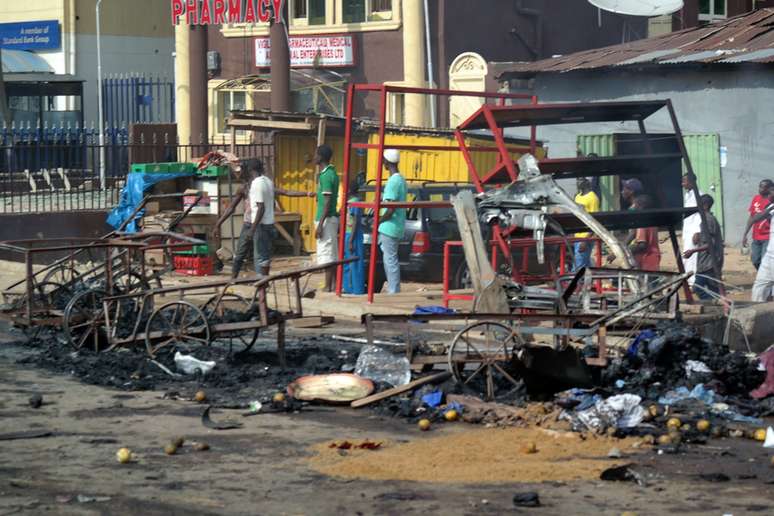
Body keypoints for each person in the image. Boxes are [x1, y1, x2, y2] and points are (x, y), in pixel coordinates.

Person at [214, 158, 312, 278]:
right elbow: (231, 208)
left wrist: (306, 194)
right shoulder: (245, 188)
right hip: (249, 224)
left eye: (242, 171)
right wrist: (218, 223)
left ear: (248, 171)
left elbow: (285, 193)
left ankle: (260, 283)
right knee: (240, 254)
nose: (239, 174)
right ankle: (233, 279)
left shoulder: (262, 185)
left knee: (259, 257)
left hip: (258, 226)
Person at [378, 149, 407, 294]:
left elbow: (390, 209)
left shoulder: (393, 181)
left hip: (389, 226)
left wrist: (378, 221)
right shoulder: (401, 179)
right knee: (390, 259)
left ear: (387, 162)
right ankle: (393, 288)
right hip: (396, 225)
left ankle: (393, 290)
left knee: (390, 260)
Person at [684, 194, 724, 299]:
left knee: (698, 288)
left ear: (705, 206)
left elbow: (710, 243)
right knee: (714, 289)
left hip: (709, 262)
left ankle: (716, 304)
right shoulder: (706, 220)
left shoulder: (708, 220)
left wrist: (692, 251)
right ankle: (719, 307)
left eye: (698, 204)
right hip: (708, 261)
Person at [313, 144, 340, 292]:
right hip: (329, 218)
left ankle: (328, 286)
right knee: (331, 252)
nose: (314, 157)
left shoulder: (326, 175)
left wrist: (320, 224)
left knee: (326, 253)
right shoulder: (330, 173)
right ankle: (333, 285)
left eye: (316, 154)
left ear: (321, 157)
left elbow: (328, 201)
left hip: (327, 219)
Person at [748, 188, 774, 302]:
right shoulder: (771, 207)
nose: (769, 194)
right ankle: (757, 313)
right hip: (770, 255)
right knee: (760, 286)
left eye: (771, 192)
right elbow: (756, 218)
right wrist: (771, 207)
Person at [742, 179, 773, 270]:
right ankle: (764, 278)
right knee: (755, 260)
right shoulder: (756, 199)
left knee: (765, 261)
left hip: (768, 237)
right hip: (756, 236)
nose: (760, 189)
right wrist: (745, 234)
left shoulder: (771, 201)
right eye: (760, 186)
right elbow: (752, 217)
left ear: (770, 189)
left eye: (763, 187)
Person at [343, 176, 365, 295]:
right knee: (346, 262)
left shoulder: (355, 203)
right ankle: (347, 287)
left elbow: (356, 221)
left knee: (355, 262)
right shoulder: (350, 202)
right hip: (348, 234)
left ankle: (357, 290)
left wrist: (351, 240)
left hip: (353, 235)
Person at [573, 177, 600, 271]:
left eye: (580, 180)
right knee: (584, 264)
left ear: (586, 182)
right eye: (577, 180)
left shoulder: (592, 198)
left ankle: (575, 285)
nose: (577, 182)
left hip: (585, 237)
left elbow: (594, 221)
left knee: (578, 267)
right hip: (576, 236)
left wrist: (586, 240)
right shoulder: (577, 196)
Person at [681, 173, 703, 286]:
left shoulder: (699, 196)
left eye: (684, 181)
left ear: (691, 182)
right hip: (687, 230)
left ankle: (693, 281)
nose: (682, 184)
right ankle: (688, 279)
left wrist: (698, 232)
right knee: (686, 255)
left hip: (694, 230)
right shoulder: (688, 195)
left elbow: (700, 215)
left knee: (692, 256)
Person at [630, 194, 661, 272]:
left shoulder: (642, 223)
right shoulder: (651, 220)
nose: (633, 207)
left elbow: (642, 245)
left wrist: (628, 250)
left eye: (635, 205)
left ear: (641, 206)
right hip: (654, 259)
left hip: (646, 260)